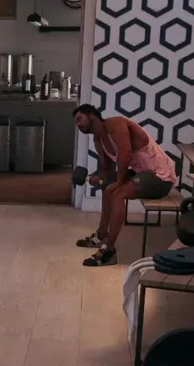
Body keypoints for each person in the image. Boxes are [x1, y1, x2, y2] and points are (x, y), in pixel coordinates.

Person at [72, 104, 178, 266]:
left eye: (80, 119)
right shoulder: (98, 139)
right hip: (141, 172)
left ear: (92, 115)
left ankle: (109, 250)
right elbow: (106, 170)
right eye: (76, 122)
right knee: (107, 187)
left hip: (161, 176)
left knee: (118, 193)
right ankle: (101, 235)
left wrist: (118, 182)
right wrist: (95, 177)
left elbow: (125, 154)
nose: (78, 124)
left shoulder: (116, 124)